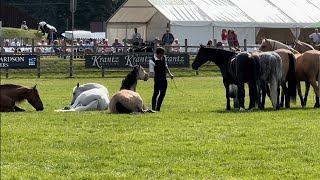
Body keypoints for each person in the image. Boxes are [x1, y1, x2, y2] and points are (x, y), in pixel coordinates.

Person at [149, 47, 174, 111]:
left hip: (164, 79)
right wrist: (148, 76)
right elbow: (151, 72)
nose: (163, 55)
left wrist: (170, 74)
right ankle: (153, 109)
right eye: (162, 54)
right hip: (157, 79)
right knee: (155, 94)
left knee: (163, 94)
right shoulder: (152, 61)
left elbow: (166, 67)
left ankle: (158, 108)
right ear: (158, 54)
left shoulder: (164, 58)